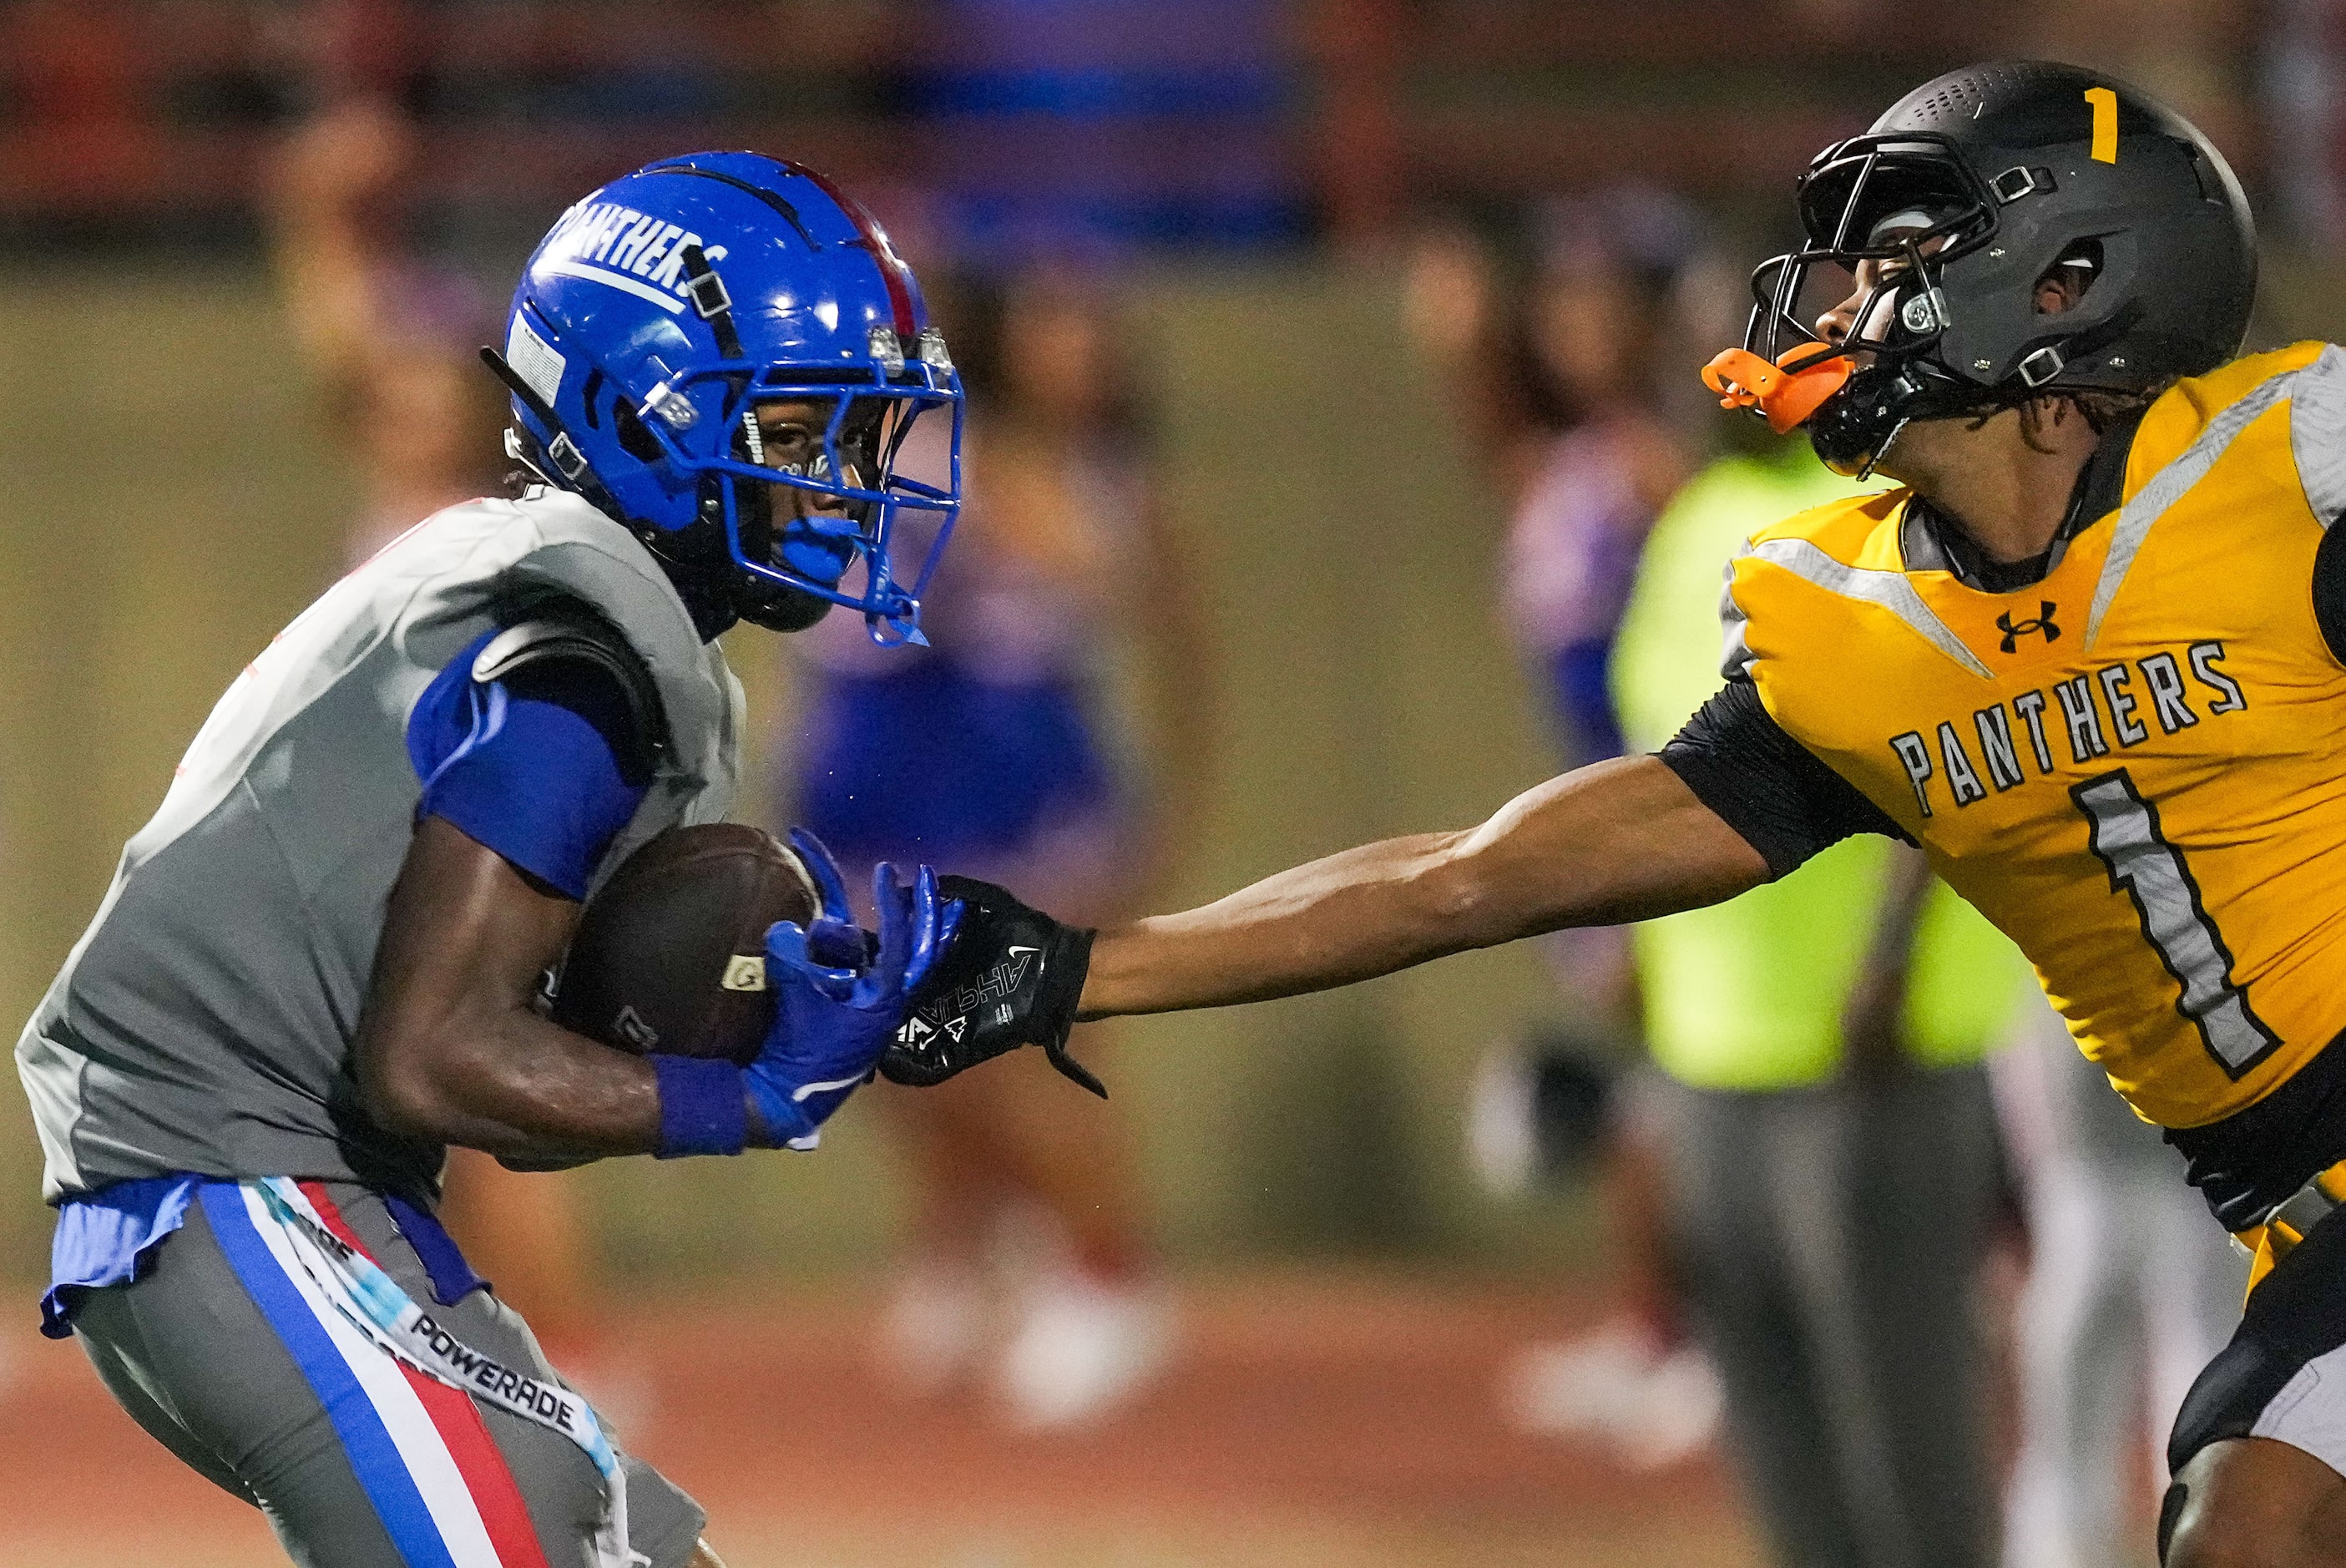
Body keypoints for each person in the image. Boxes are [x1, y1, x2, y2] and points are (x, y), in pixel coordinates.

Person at [887, 61, 2346, 1568]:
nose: (1845, 307)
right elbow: (1472, 876)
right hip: (2280, 1199)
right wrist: (1081, 967)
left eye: (1910, 261)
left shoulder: (2285, 472)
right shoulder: (1856, 628)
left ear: (2071, 285)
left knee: (2255, 1525)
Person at [18, 153, 965, 1568]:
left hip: (293, 1187)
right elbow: (433, 1055)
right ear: (642, 410)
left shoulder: (588, 610)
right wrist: (748, 1093)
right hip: (234, 1180)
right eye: (792, 431)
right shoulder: (579, 663)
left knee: (630, 1549)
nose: (835, 485)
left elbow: (497, 1097)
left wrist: (715, 1035)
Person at [782, 271, 1210, 1426]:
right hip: (885, 777)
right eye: (1052, 319)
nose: (1074, 346)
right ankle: (979, 1235)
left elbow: (1148, 616)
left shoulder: (1055, 470)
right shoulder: (903, 435)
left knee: (1021, 1043)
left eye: (1088, 324)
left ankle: (1111, 1273)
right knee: (883, 1045)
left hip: (1006, 782)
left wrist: (1174, 804)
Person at [1608, 432, 2030, 1567]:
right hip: (1710, 1055)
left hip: (1867, 1058)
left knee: (1912, 1452)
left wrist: (1890, 961)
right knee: (1779, 1450)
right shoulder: (1693, 513)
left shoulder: (1888, 508)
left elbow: (1963, 727)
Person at [269, 98, 613, 1368]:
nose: (396, 381)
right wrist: (314, 210)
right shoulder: (407, 495)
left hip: (468, 833)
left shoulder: (498, 523)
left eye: (428, 367)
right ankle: (514, 1343)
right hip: (399, 830)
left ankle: (575, 1353)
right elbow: (338, 345)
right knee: (423, 1108)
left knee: (480, 1104)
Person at [1995, 995, 2246, 1568]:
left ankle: (2199, 1543)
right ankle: (2065, 1550)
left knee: (2202, 1375)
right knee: (2076, 1394)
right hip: (2092, 1162)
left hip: (2199, 1166)